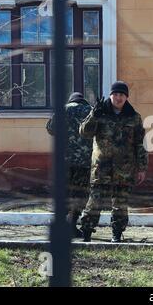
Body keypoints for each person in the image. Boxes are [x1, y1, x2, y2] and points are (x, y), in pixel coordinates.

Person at [79, 81, 148, 242]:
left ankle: (117, 233)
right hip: (101, 167)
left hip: (124, 168)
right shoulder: (99, 113)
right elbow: (84, 132)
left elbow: (140, 144)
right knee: (95, 201)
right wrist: (93, 115)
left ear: (126, 97)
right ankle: (86, 231)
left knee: (120, 204)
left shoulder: (134, 117)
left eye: (122, 95)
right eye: (115, 94)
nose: (118, 98)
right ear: (110, 95)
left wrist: (142, 168)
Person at [46, 92, 92, 237]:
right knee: (80, 193)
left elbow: (51, 128)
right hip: (85, 161)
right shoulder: (90, 110)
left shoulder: (63, 109)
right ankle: (72, 225)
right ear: (83, 100)